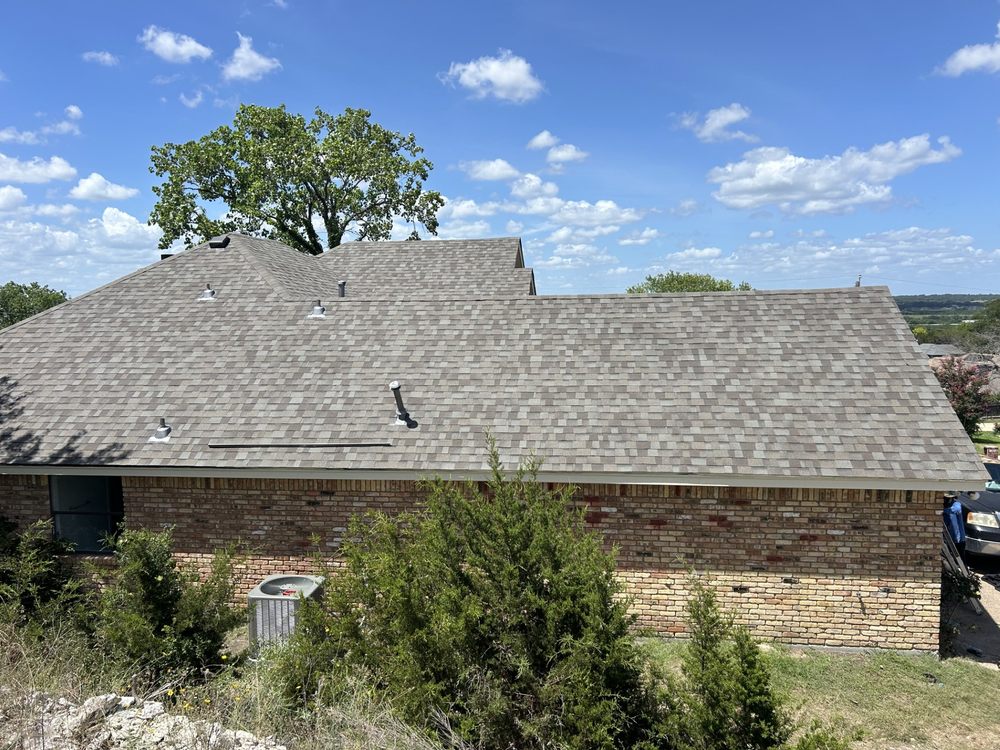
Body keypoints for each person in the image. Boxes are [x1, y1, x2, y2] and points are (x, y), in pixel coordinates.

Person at [943, 493, 966, 558]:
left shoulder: (956, 505)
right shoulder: (945, 508)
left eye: (947, 499)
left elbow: (953, 510)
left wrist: (941, 510)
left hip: (959, 539)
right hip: (949, 538)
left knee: (960, 558)